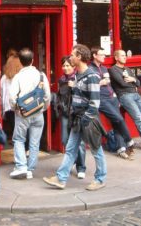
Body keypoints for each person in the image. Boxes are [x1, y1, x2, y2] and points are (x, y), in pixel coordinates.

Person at [43, 44, 107, 191]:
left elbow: (95, 102)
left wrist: (86, 119)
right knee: (71, 149)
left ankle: (100, 179)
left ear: (79, 57)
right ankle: (61, 178)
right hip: (77, 119)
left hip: (88, 120)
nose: (70, 57)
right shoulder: (78, 75)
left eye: (72, 55)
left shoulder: (92, 76)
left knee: (96, 149)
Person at [9, 48, 51, 179]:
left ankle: (21, 166)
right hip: (38, 113)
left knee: (19, 139)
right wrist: (43, 108)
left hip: (23, 114)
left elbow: (12, 98)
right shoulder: (41, 75)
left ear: (20, 62)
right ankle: (30, 169)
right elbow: (47, 95)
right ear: (33, 60)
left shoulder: (18, 77)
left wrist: (15, 108)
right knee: (34, 142)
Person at [90, 46, 135, 160]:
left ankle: (121, 149)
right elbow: (89, 86)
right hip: (101, 99)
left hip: (112, 97)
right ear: (95, 55)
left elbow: (110, 84)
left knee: (116, 123)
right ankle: (129, 140)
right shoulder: (90, 69)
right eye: (101, 54)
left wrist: (115, 95)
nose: (104, 56)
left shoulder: (105, 69)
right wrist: (100, 83)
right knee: (119, 119)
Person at [53, 55, 86, 178]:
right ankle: (72, 160)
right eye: (63, 65)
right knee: (65, 140)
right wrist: (58, 108)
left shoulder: (79, 78)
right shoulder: (62, 80)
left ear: (73, 66)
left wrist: (75, 87)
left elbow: (86, 95)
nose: (65, 68)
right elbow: (60, 96)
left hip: (76, 113)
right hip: (66, 114)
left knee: (80, 143)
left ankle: (81, 167)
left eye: (68, 65)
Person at [0, 50, 22, 141]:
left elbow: (1, 94)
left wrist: (1, 108)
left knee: (13, 126)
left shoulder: (4, 78)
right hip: (20, 105)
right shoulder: (21, 76)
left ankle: (15, 141)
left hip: (8, 106)